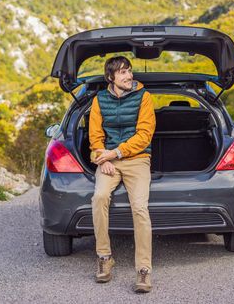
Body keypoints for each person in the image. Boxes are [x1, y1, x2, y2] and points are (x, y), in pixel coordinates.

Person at [89, 55, 156, 293]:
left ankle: (144, 270)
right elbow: (95, 135)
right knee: (99, 198)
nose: (129, 76)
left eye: (129, 71)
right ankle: (104, 257)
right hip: (108, 160)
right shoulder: (99, 100)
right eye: (123, 72)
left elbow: (144, 136)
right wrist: (100, 156)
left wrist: (114, 153)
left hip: (136, 159)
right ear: (111, 78)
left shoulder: (144, 98)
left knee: (139, 208)